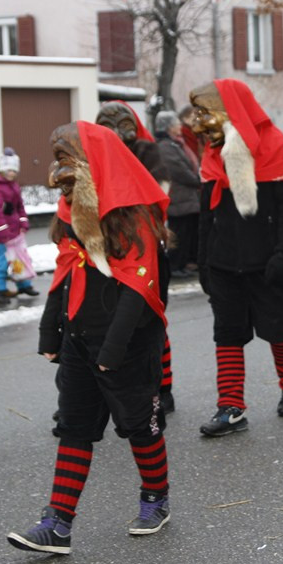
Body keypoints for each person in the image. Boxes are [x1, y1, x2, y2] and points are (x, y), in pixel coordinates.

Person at [8, 121, 171, 555]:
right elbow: (64, 274)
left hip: (127, 343)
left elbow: (138, 288)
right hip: (80, 338)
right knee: (74, 428)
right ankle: (58, 523)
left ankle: (156, 497)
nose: (57, 168)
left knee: (140, 426)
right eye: (55, 156)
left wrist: (113, 349)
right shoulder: (70, 212)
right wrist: (51, 332)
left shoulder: (132, 215)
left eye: (64, 157)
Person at [188, 79, 283, 437]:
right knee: (226, 335)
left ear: (230, 111)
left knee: (280, 331)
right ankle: (231, 407)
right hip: (225, 264)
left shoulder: (277, 147)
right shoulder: (213, 155)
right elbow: (206, 217)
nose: (199, 121)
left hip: (268, 261)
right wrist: (204, 262)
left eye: (205, 112)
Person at [95, 101, 176, 413]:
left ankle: (162, 386)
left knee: (151, 323)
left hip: (145, 249)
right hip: (106, 251)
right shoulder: (96, 156)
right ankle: (106, 387)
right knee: (105, 321)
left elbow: (157, 196)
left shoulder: (147, 152)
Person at [153, 111, 201, 279]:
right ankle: (175, 266)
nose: (179, 127)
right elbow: (179, 170)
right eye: (176, 125)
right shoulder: (166, 147)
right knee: (179, 233)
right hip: (179, 198)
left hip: (185, 198)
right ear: (169, 128)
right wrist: (197, 180)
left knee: (186, 232)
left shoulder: (173, 144)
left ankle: (182, 264)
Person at [0, 148, 38, 302]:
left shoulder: (14, 186)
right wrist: (3, 231)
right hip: (1, 236)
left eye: (14, 170)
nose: (11, 173)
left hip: (16, 233)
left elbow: (20, 206)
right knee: (1, 262)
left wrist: (23, 220)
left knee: (20, 259)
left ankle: (24, 284)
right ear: (3, 170)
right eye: (9, 170)